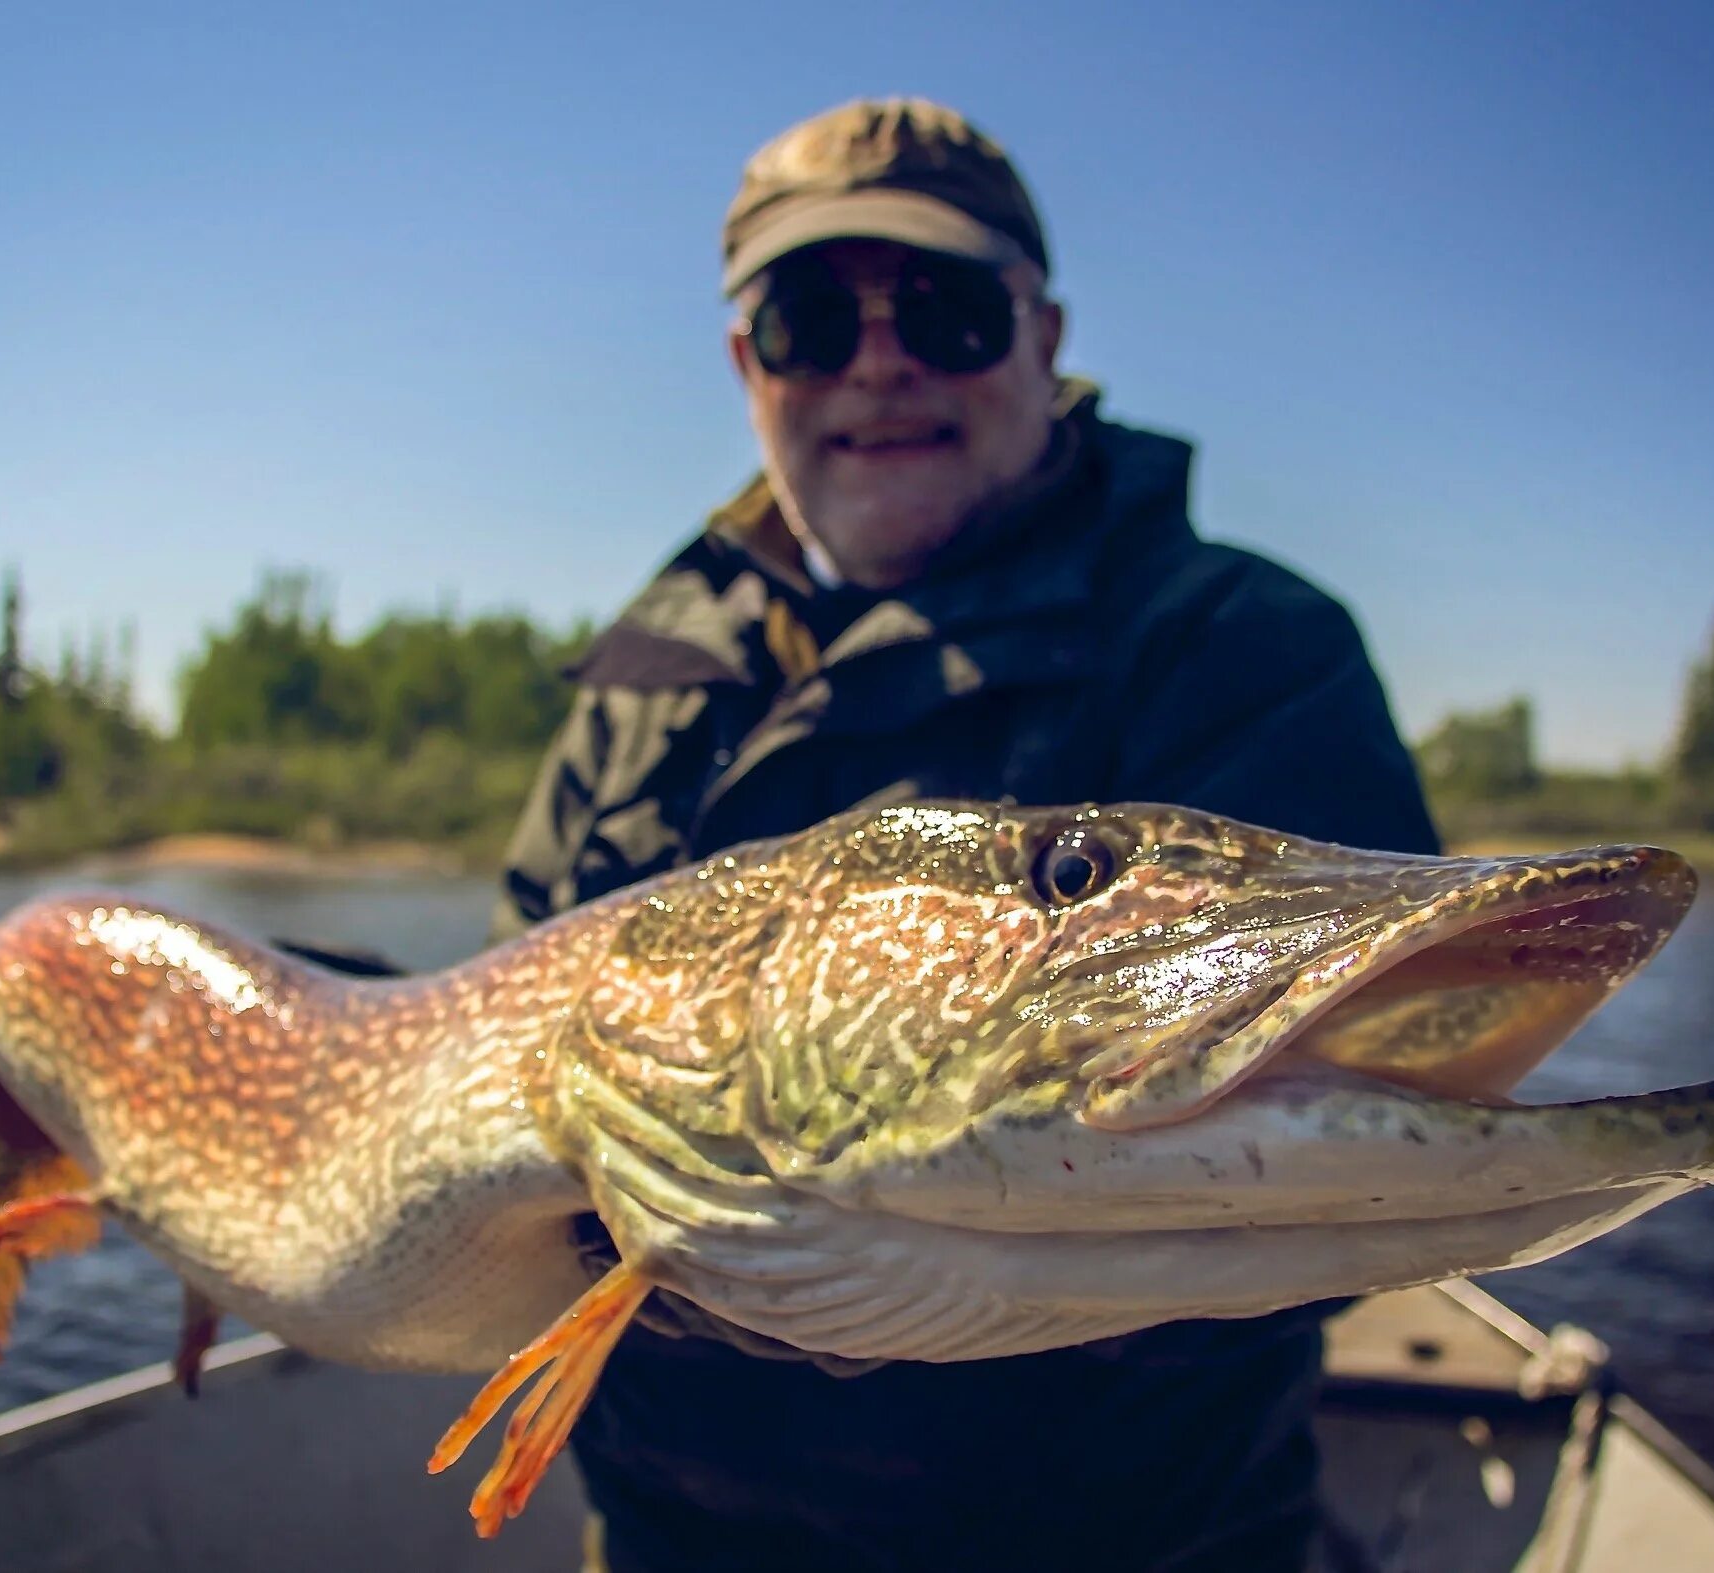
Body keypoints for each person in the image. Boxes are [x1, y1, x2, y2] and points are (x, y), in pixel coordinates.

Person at [492, 97, 1439, 1573]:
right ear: (751, 367)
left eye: (944, 308)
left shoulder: (1237, 648)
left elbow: (1334, 1157)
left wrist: (782, 1258)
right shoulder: (646, 688)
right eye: (814, 317)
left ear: (1043, 337)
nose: (880, 362)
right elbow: (502, 1043)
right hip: (678, 1537)